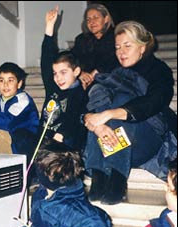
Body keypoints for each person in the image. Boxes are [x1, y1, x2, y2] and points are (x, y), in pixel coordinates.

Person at [84, 21, 176, 205]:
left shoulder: (159, 70)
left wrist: (110, 113)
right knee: (99, 95)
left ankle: (117, 179)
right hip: (108, 144)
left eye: (127, 45)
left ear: (142, 47)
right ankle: (99, 175)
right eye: (117, 47)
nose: (121, 51)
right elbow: (87, 109)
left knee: (121, 99)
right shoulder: (114, 72)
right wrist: (96, 125)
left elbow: (153, 102)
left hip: (146, 141)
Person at [40, 6, 88, 152]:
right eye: (55, 73)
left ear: (76, 71)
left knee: (67, 141)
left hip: (66, 141)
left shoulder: (79, 93)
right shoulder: (53, 87)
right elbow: (46, 58)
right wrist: (49, 26)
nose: (58, 78)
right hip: (46, 138)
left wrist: (61, 134)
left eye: (63, 72)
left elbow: (73, 116)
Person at [71, 3, 120, 90]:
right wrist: (80, 73)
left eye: (96, 18)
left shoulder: (117, 37)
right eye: (88, 19)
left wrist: (96, 72)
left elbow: (116, 60)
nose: (91, 22)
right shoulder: (81, 39)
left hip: (110, 81)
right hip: (84, 81)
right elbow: (72, 58)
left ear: (106, 19)